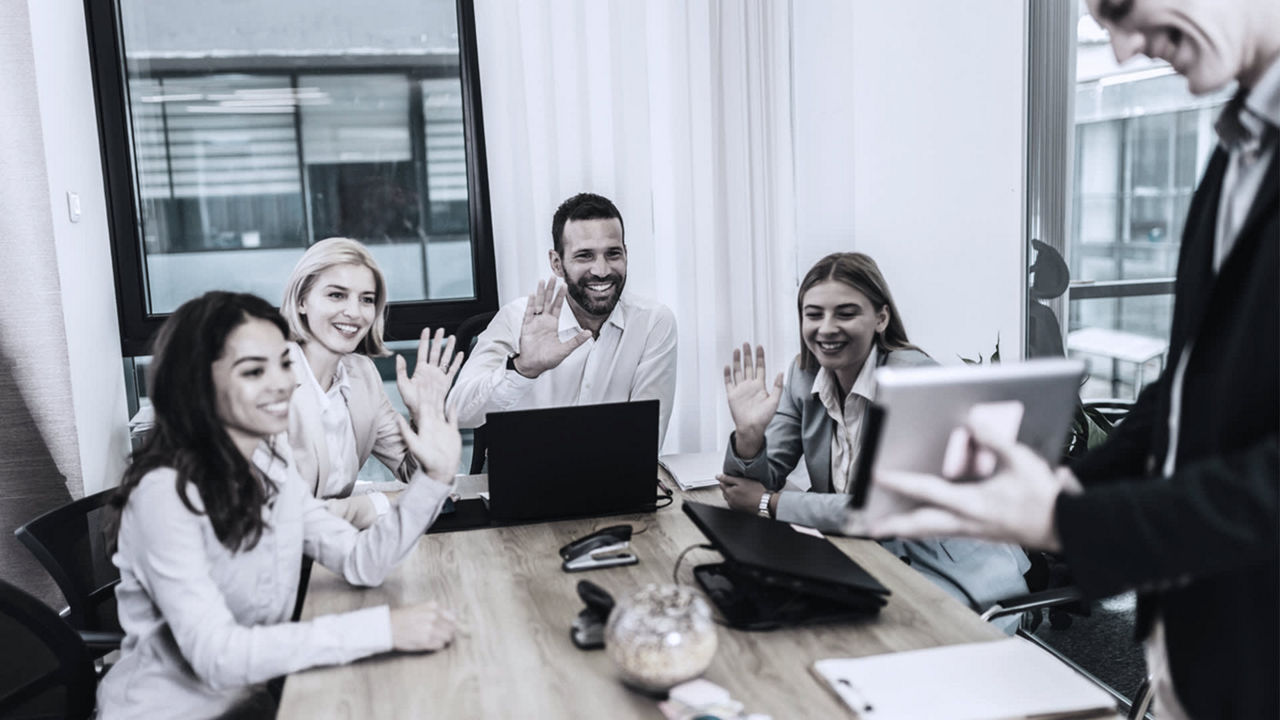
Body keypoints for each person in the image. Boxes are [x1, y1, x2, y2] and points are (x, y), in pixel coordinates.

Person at [869, 1, 1278, 716]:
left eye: (1118, 8)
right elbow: (1183, 392)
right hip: (1198, 646)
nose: (1119, 51)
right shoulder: (1237, 148)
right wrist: (1049, 491)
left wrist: (1068, 520)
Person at [96, 292, 462, 719]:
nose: (282, 383)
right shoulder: (164, 494)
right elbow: (216, 656)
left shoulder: (270, 466)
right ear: (197, 382)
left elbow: (364, 561)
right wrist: (381, 629)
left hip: (264, 694)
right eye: (253, 370)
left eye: (285, 363)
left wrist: (433, 479)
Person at [719, 253, 1030, 623]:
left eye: (846, 313)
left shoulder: (915, 381)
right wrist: (749, 436)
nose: (827, 328)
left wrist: (771, 504)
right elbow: (750, 485)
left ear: (881, 318)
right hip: (870, 562)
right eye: (813, 314)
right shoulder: (804, 376)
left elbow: (881, 511)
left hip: (957, 582)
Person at [448, 192, 677, 446]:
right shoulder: (517, 319)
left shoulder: (653, 323)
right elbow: (458, 412)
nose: (601, 270)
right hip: (526, 476)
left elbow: (646, 437)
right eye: (584, 256)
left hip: (614, 476)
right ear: (557, 263)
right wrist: (523, 369)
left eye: (613, 254)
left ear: (626, 253)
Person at [280, 237, 464, 529]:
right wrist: (382, 502)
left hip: (335, 546)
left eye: (366, 299)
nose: (354, 312)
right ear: (302, 301)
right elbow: (277, 515)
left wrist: (425, 415)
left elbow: (412, 472)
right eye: (337, 295)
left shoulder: (361, 373)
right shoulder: (267, 379)